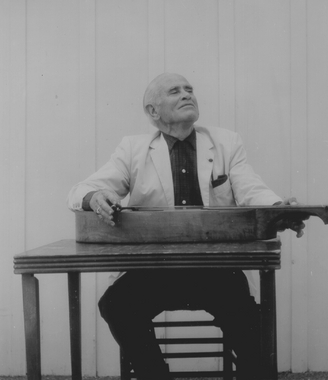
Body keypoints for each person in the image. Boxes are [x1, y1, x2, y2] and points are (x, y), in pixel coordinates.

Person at [67, 73, 304, 380]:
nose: (186, 94)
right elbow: (79, 191)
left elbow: (252, 190)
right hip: (155, 271)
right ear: (153, 111)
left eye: (190, 89)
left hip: (217, 270)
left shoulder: (226, 142)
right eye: (175, 91)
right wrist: (95, 197)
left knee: (249, 321)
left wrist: (277, 208)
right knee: (116, 305)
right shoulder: (132, 149)